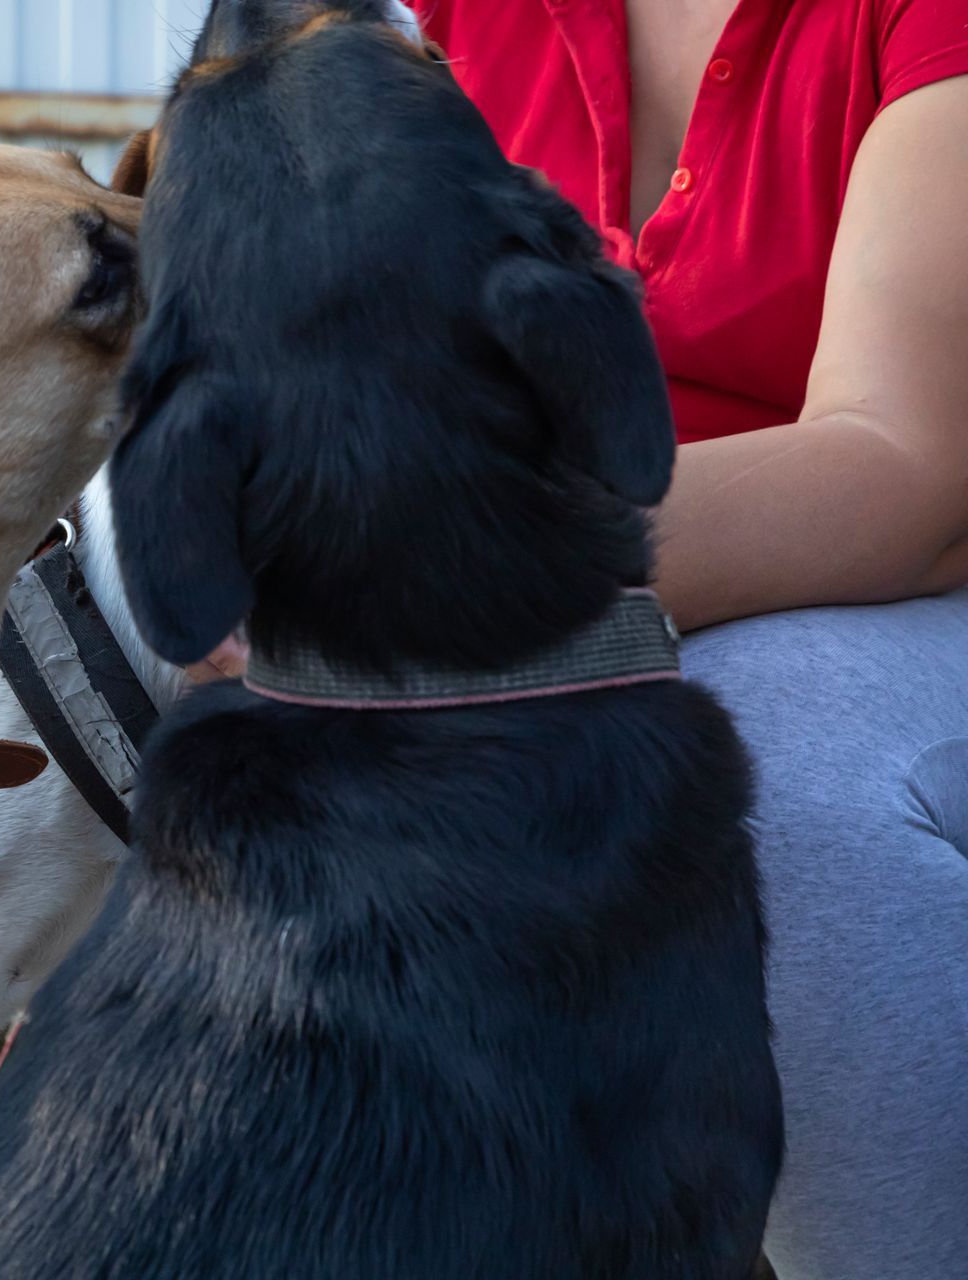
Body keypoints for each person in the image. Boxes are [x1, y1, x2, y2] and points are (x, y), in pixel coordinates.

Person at [398, 2, 968, 1275]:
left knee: (770, 783)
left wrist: (437, 588)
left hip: (900, 584)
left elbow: (907, 470)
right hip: (564, 589)